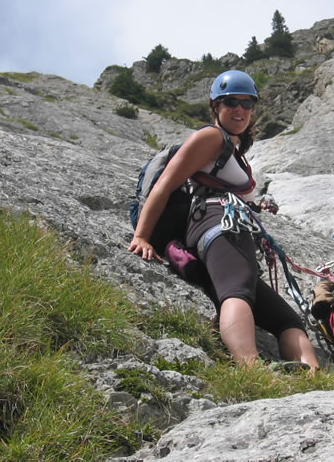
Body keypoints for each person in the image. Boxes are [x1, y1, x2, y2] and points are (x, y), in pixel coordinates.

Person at [129, 70, 318, 371]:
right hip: (219, 222)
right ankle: (251, 371)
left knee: (286, 319)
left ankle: (314, 378)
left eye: (247, 103)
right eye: (231, 102)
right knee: (236, 290)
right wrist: (141, 236)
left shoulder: (232, 150)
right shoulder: (211, 137)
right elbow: (165, 184)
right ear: (215, 105)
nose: (240, 109)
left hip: (222, 229)